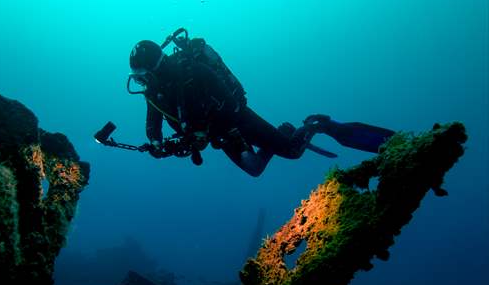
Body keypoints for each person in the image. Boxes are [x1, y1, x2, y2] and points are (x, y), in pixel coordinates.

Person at [127, 34, 395, 177]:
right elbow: (153, 124)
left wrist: (206, 131)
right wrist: (157, 145)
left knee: (291, 151)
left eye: (143, 75)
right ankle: (280, 136)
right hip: (219, 135)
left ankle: (318, 125)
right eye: (138, 77)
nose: (142, 82)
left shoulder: (193, 72)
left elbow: (232, 103)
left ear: (157, 67)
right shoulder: (153, 93)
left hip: (237, 121)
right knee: (254, 169)